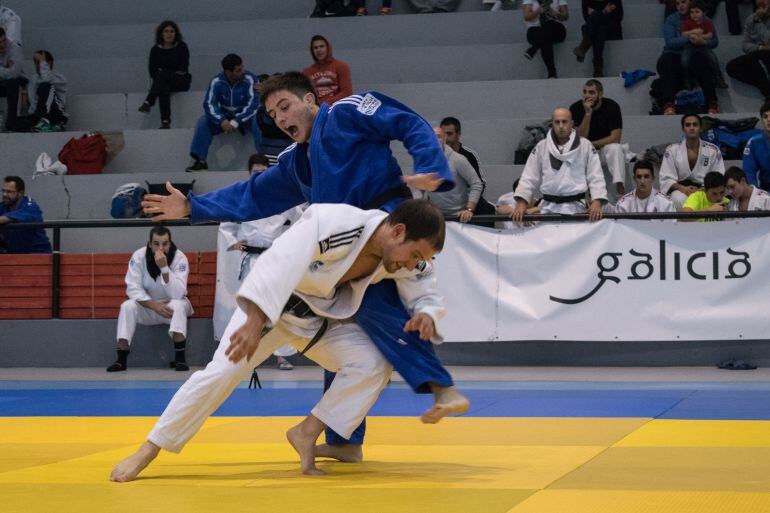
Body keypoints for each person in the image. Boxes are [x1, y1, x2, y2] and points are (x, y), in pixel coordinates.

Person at [141, 72, 458, 462]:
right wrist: (194, 206)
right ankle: (344, 442)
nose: (281, 119)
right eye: (273, 115)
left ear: (311, 99)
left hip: (384, 219)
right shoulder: (296, 163)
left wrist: (430, 163)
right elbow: (253, 195)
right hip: (340, 251)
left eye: (285, 106)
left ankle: (439, 384)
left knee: (383, 302)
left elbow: (406, 121)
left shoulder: (347, 111)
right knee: (347, 324)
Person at [110, 200, 467, 480]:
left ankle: (306, 432)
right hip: (271, 309)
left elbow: (424, 285)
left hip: (315, 321)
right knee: (222, 373)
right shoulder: (334, 223)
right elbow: (276, 263)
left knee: (372, 363)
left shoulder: (403, 256)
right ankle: (149, 449)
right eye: (415, 254)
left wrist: (425, 312)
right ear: (398, 232)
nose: (414, 264)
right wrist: (253, 321)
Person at [214, 153, 304, 370]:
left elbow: (302, 219)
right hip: (248, 258)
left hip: (273, 257)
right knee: (248, 307)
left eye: (263, 173)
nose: (259, 177)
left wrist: (288, 241)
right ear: (249, 173)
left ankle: (282, 355)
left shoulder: (282, 195)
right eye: (255, 172)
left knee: (276, 305)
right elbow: (226, 226)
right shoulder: (241, 195)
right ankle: (243, 354)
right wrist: (234, 242)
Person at [106, 226, 193, 372]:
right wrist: (153, 305)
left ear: (170, 243)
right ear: (150, 243)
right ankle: (121, 359)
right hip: (148, 306)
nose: (160, 248)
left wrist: (164, 268)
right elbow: (132, 288)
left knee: (178, 305)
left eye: (165, 244)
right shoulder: (139, 256)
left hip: (170, 308)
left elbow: (178, 293)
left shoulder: (180, 258)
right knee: (127, 306)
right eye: (156, 244)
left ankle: (180, 359)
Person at [510, 107, 607, 222]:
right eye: (557, 122)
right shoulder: (542, 146)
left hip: (577, 208)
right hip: (548, 208)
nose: (561, 126)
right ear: (552, 124)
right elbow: (528, 177)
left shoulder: (585, 145)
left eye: (564, 122)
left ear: (571, 124)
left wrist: (596, 202)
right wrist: (521, 203)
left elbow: (596, 176)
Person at [186, 54, 261, 172]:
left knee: (258, 120)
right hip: (225, 118)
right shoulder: (217, 82)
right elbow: (210, 104)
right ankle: (200, 161)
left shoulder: (251, 79)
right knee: (203, 122)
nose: (243, 71)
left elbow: (253, 105)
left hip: (245, 118)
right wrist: (221, 120)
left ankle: (264, 158)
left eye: (242, 67)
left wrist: (236, 121)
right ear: (228, 72)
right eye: (238, 70)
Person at [656, 0, 719, 115]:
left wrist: (702, 42)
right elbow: (670, 43)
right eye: (678, 3)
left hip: (695, 51)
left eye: (684, 2)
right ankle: (668, 104)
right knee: (667, 62)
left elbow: (714, 42)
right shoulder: (671, 19)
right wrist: (690, 36)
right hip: (674, 53)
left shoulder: (703, 19)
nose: (681, 6)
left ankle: (712, 102)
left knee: (702, 61)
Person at [569, 79, 626, 196]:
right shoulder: (575, 108)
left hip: (604, 151)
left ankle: (620, 189)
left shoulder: (612, 106)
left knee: (615, 148)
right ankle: (586, 195)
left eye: (591, 93)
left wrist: (591, 144)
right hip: (585, 152)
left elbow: (615, 138)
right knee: (578, 152)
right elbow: (579, 139)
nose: (587, 96)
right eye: (584, 92)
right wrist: (587, 114)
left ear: (600, 94)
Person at [659, 113, 725, 210]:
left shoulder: (713, 150)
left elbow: (719, 176)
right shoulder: (672, 150)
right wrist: (683, 189)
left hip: (706, 190)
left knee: (712, 197)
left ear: (701, 128)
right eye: (688, 125)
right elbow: (666, 178)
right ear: (683, 129)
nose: (692, 128)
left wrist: (701, 189)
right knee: (677, 199)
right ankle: (686, 223)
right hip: (680, 190)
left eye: (695, 124)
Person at [439, 116, 498, 223]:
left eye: (449, 134)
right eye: (443, 135)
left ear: (458, 135)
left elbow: (479, 183)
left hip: (467, 200)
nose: (446, 138)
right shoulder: (434, 157)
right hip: (443, 204)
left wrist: (469, 207)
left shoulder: (469, 155)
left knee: (486, 210)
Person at [138, 20, 191, 129]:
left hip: (181, 80)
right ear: (161, 34)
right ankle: (165, 122)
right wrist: (167, 73)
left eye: (172, 31)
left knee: (162, 75)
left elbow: (183, 68)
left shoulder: (182, 47)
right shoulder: (155, 50)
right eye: (166, 31)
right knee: (164, 87)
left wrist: (165, 72)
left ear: (176, 34)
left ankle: (149, 101)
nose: (169, 34)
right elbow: (152, 71)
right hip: (163, 82)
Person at [425, 127, 484, 223]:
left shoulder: (458, 159)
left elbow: (476, 183)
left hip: (460, 216)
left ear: (444, 139)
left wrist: (469, 209)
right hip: (436, 216)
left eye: (438, 137)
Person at [725, 0, 770, 101]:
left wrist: (759, 20)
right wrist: (760, 47)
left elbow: (768, 39)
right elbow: (745, 45)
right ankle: (766, 87)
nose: (761, 2)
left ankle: (767, 92)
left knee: (755, 60)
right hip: (757, 54)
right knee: (731, 67)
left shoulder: (756, 19)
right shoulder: (751, 18)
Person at [0, 175, 51, 254]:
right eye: (3, 191)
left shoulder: (30, 205)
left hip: (37, 253)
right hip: (13, 254)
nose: (4, 194)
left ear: (20, 193)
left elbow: (8, 218)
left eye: (9, 192)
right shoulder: (3, 205)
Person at [573, 0, 623, 77]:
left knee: (595, 16)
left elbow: (619, 17)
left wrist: (599, 14)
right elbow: (587, 18)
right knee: (600, 30)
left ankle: (584, 46)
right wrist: (604, 12)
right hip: (596, 31)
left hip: (612, 29)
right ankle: (598, 68)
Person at [522, 0, 569, 79]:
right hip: (535, 30)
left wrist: (556, 13)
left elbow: (566, 16)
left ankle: (534, 48)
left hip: (556, 28)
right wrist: (538, 11)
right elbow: (526, 17)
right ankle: (552, 73)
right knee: (545, 38)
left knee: (548, 26)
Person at [605, 160, 675, 213]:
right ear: (634, 179)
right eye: (639, 177)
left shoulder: (665, 203)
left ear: (653, 179)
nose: (642, 181)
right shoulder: (624, 203)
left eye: (646, 177)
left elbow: (671, 228)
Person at [302, 35, 352, 107]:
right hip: (316, 110)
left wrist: (326, 104)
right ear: (312, 51)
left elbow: (347, 92)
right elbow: (305, 95)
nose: (319, 50)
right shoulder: (307, 72)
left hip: (337, 108)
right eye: (315, 48)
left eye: (322, 46)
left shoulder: (342, 67)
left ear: (328, 48)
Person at [24, 50, 67, 132]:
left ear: (49, 63)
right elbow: (33, 103)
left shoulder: (59, 78)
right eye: (36, 62)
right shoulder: (34, 79)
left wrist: (43, 62)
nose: (37, 65)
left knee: (45, 86)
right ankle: (44, 123)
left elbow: (46, 80)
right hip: (39, 116)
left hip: (57, 115)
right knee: (13, 124)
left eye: (39, 62)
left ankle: (50, 123)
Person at [255, 74, 294, 165]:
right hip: (268, 153)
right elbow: (266, 126)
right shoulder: (262, 110)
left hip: (290, 151)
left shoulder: (293, 107)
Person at [0, 27, 24, 131]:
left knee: (12, 83)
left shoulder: (14, 48)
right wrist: (5, 68)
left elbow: (14, 73)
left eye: (4, 40)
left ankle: (11, 124)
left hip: (16, 81)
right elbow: (9, 71)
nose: (2, 45)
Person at [743, 100, 770, 189]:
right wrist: (756, 194)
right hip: (766, 191)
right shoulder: (754, 142)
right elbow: (749, 172)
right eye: (765, 117)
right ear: (762, 120)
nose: (769, 120)